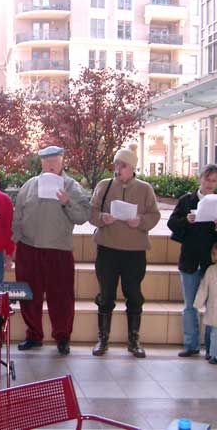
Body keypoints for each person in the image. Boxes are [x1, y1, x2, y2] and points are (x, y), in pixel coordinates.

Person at [12, 146, 90, 355]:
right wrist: (14, 243)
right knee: (29, 295)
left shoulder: (72, 186)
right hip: (29, 248)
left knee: (61, 296)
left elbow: (82, 216)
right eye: (47, 161)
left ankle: (62, 337)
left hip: (59, 249)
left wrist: (67, 202)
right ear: (41, 163)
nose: (51, 165)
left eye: (55, 160)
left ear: (62, 161)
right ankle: (33, 335)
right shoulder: (29, 185)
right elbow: (17, 216)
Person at [89, 144, 160, 358]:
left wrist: (140, 221)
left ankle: (133, 340)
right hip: (107, 249)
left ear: (132, 168)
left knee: (134, 295)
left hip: (134, 252)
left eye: (123, 165)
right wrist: (102, 218)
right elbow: (91, 213)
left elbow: (155, 215)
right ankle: (103, 339)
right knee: (106, 295)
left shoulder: (145, 189)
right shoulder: (104, 186)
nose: (118, 169)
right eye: (116, 164)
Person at [167, 164, 217, 359]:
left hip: (211, 262)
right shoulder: (187, 200)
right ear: (200, 179)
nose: (209, 184)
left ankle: (212, 348)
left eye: (214, 181)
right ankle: (191, 345)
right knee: (190, 306)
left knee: (212, 305)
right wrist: (187, 220)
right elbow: (172, 223)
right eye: (207, 179)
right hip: (189, 260)